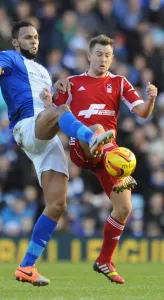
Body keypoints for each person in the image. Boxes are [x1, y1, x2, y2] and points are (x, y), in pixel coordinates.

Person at [0, 21, 115, 286]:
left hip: (45, 134)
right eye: (27, 37)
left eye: (36, 37)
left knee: (58, 205)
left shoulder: (43, 72)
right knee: (65, 116)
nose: (33, 41)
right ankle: (92, 138)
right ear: (16, 42)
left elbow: (48, 106)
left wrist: (55, 96)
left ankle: (27, 267)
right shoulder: (10, 58)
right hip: (27, 127)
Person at [47, 34, 158, 284]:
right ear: (89, 56)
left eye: (108, 55)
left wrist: (150, 98)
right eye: (98, 54)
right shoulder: (73, 83)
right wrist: (54, 90)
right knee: (97, 129)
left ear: (113, 58)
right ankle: (101, 142)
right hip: (82, 146)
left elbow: (142, 112)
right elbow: (55, 111)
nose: (103, 59)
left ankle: (104, 260)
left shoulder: (119, 83)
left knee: (124, 208)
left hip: (110, 154)